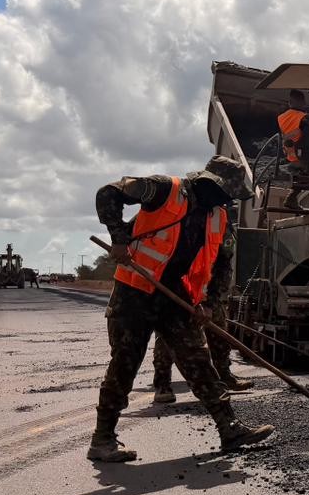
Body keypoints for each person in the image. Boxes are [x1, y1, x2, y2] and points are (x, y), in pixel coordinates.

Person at [90, 155, 275, 462]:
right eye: (226, 193)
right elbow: (107, 192)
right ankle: (102, 440)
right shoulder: (163, 190)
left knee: (198, 359)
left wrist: (204, 303)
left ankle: (230, 429)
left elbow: (213, 265)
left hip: (175, 295)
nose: (228, 200)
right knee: (125, 363)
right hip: (134, 290)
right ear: (211, 183)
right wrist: (119, 238)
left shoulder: (218, 216)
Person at [151, 207, 252, 403]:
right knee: (167, 339)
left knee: (220, 333)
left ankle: (225, 376)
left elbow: (224, 265)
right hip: (175, 290)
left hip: (206, 291)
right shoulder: (176, 214)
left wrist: (211, 302)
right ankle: (162, 385)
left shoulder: (220, 220)